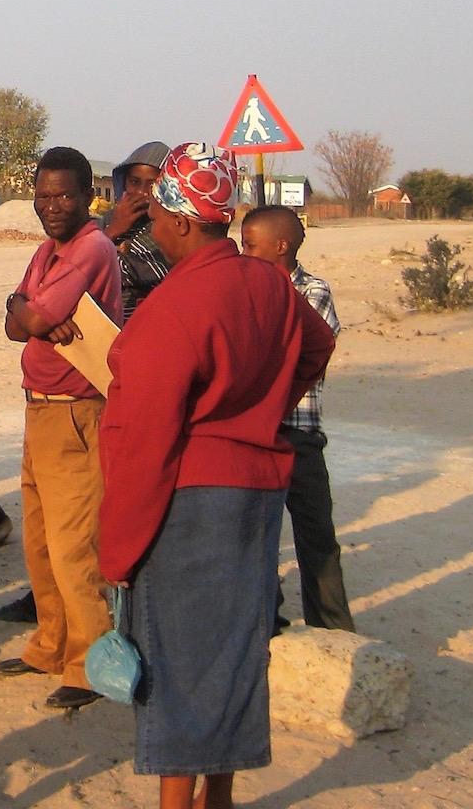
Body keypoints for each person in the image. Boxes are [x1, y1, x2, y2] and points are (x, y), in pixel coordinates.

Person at [99, 144, 336, 809]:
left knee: (178, 657)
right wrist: (263, 404)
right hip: (259, 488)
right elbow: (317, 347)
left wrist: (117, 548)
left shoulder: (173, 309)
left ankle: (179, 801)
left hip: (191, 496)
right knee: (237, 644)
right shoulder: (268, 283)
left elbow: (141, 442)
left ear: (178, 220)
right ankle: (220, 795)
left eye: (158, 218)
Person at [0, 146, 124, 711]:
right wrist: (25, 309)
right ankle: (50, 644)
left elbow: (34, 318)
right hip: (40, 408)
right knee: (40, 539)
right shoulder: (49, 250)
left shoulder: (93, 247)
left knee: (73, 547)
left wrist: (30, 313)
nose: (52, 206)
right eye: (43, 197)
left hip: (75, 410)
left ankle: (87, 662)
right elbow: (14, 322)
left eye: (64, 195)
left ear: (87, 193)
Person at [240, 205, 355, 632]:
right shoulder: (242, 287)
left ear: (281, 247)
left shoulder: (313, 291)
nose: (243, 252)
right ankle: (265, 620)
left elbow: (300, 357)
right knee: (257, 535)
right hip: (258, 432)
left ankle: (333, 630)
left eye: (251, 245)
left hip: (298, 433)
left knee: (316, 537)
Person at [104, 140, 173, 317]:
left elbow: (129, 270)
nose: (142, 193)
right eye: (134, 182)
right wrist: (113, 231)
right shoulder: (109, 220)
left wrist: (107, 246)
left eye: (152, 185)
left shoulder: (170, 228)